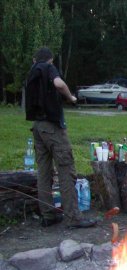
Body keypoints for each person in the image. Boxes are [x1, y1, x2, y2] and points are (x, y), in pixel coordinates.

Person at [25, 47, 96, 228]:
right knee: (66, 169)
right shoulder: (48, 67)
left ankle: (47, 215)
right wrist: (71, 97)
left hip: (37, 126)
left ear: (35, 59)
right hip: (52, 126)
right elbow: (59, 84)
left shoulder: (33, 72)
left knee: (44, 171)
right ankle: (73, 217)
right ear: (50, 59)